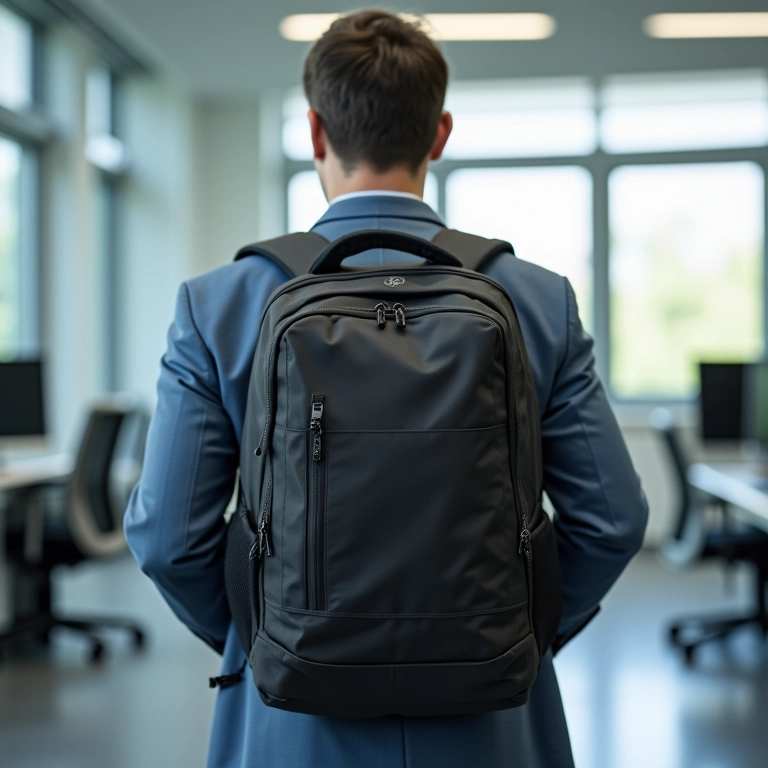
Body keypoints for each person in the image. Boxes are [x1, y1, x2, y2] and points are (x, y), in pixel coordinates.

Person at [124, 10, 648, 767]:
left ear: (313, 132)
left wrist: (270, 632)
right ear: (439, 133)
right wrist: (508, 632)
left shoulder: (219, 305)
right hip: (494, 718)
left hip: (289, 721)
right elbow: (614, 520)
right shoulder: (537, 300)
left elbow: (169, 539)